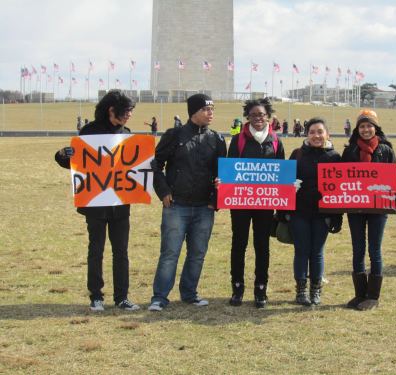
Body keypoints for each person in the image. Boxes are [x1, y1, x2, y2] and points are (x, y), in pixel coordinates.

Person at [54, 90, 140, 312]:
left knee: (121, 252)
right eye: (127, 110)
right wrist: (63, 155)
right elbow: (76, 164)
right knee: (96, 249)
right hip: (95, 204)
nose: (130, 115)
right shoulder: (89, 132)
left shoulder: (127, 134)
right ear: (112, 110)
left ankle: (122, 297)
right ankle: (96, 296)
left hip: (120, 204)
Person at [149, 94, 227, 311]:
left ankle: (189, 293)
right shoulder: (174, 135)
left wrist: (215, 200)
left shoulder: (218, 140)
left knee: (197, 253)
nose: (211, 113)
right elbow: (156, 164)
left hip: (205, 207)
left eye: (212, 109)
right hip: (176, 206)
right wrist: (163, 191)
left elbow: (223, 173)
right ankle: (159, 297)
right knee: (170, 253)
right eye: (206, 109)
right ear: (193, 112)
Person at [341, 109, 396, 311]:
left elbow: (393, 175)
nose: (366, 129)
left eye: (369, 126)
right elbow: (341, 178)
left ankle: (373, 296)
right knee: (357, 249)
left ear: (376, 127)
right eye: (362, 126)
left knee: (374, 250)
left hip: (378, 207)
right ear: (357, 128)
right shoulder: (350, 150)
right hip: (355, 206)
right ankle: (360, 294)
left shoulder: (386, 150)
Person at [227, 98, 285, 308]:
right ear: (247, 117)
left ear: (267, 116)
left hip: (265, 202)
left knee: (262, 245)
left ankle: (261, 288)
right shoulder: (238, 139)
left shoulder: (276, 140)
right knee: (239, 243)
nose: (258, 118)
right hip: (241, 202)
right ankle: (237, 288)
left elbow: (281, 174)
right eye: (253, 115)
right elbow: (229, 170)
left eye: (261, 114)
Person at [288, 117, 342, 306]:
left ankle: (315, 290)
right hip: (299, 212)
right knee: (301, 251)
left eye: (320, 132)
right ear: (306, 134)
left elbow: (340, 189)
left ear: (327, 134)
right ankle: (301, 290)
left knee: (317, 252)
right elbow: (285, 183)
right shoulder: (297, 154)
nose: (316, 136)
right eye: (312, 132)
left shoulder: (335, 157)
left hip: (323, 214)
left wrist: (337, 215)